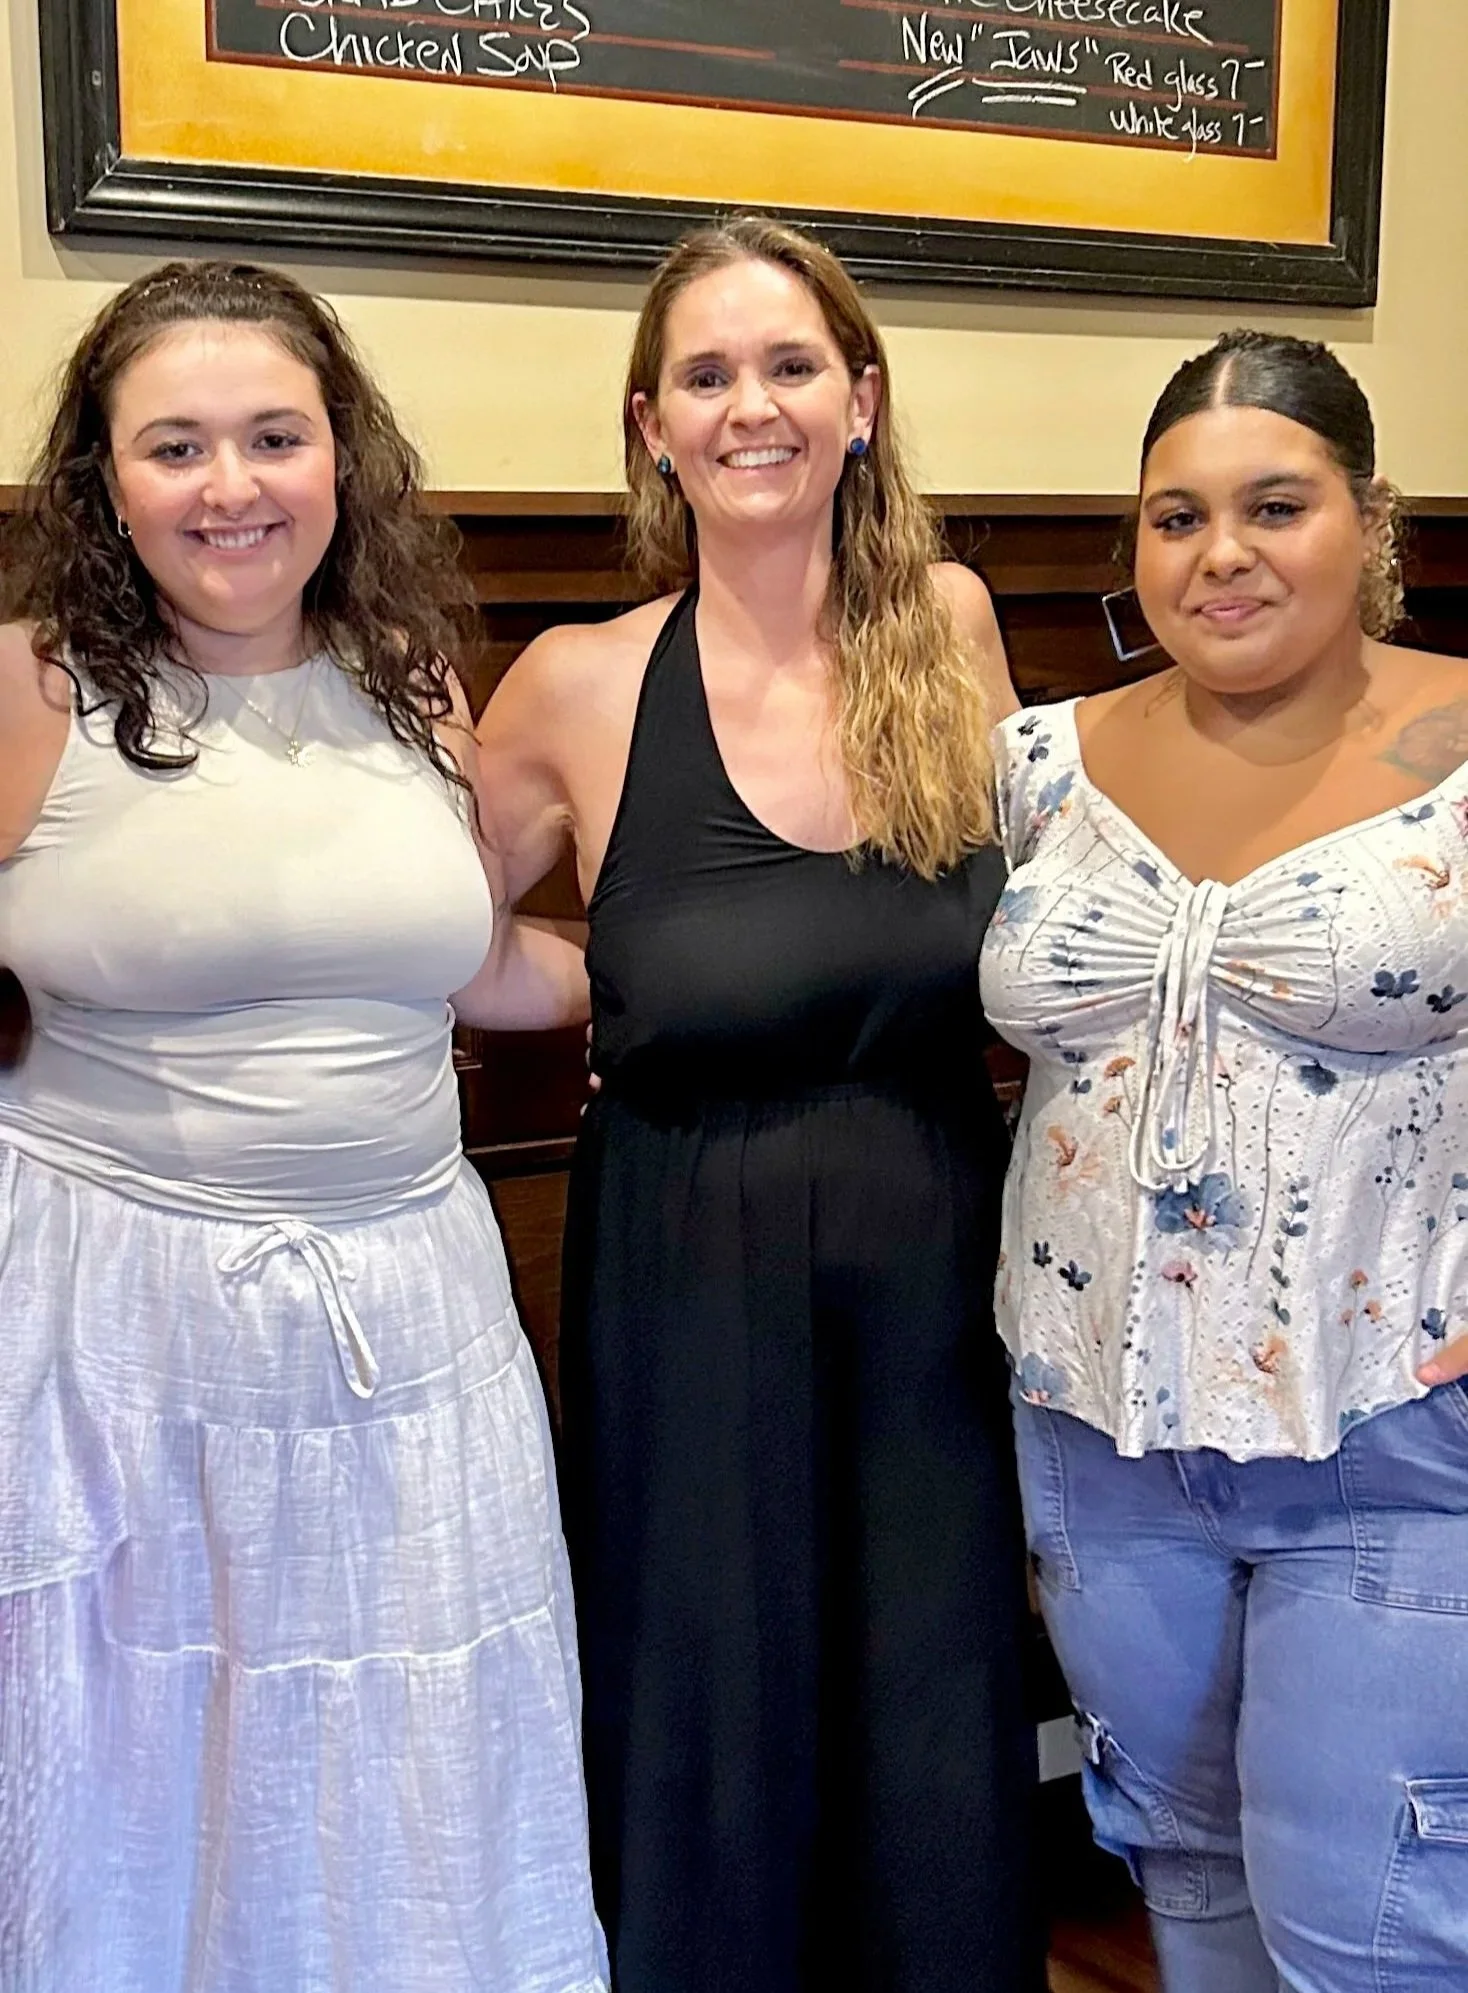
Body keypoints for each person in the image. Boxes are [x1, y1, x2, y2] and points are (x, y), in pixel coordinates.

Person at [0, 260, 606, 1993]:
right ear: (103, 480)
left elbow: (457, 959)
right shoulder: (25, 693)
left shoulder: (408, 679)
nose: (232, 487)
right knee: (144, 1755)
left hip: (410, 1323)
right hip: (113, 1335)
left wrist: (687, 966)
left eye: (275, 436)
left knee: (408, 1753)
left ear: (343, 457)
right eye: (174, 446)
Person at [476, 215, 1044, 1993]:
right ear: (650, 426)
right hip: (684, 1261)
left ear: (862, 401)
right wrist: (612, 980)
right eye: (706, 377)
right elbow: (432, 940)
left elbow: (1027, 920)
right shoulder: (575, 680)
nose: (753, 408)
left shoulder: (946, 626)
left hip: (936, 1241)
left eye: (791, 366)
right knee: (708, 1684)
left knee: (933, 1683)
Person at [981, 328, 1468, 1991]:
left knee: (1372, 1941)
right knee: (1183, 1891)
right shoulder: (1040, 763)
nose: (1224, 554)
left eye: (1277, 505)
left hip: (1390, 1440)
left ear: (1371, 520)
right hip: (1100, 1449)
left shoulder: (1465, 748)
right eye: (1175, 518)